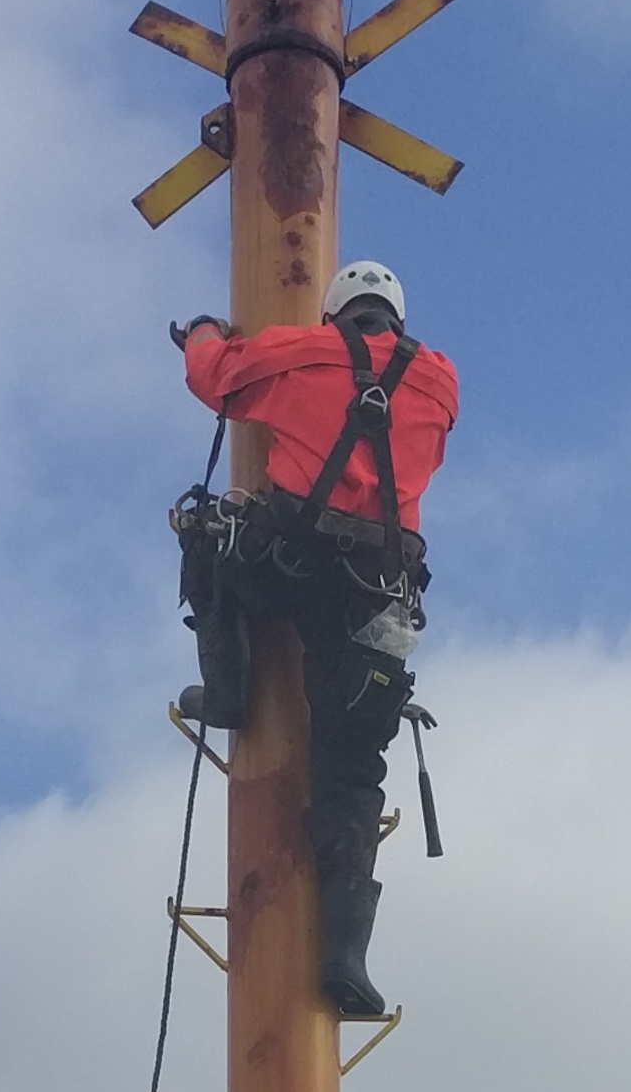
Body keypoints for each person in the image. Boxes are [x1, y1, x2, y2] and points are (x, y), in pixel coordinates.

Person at [171, 264, 458, 1019]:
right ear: (396, 318)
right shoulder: (440, 380)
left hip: (292, 563)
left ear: (335, 314)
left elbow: (217, 379)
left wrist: (201, 333)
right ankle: (346, 957)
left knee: (208, 538)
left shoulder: (304, 351)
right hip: (378, 590)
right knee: (352, 769)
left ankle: (230, 690)